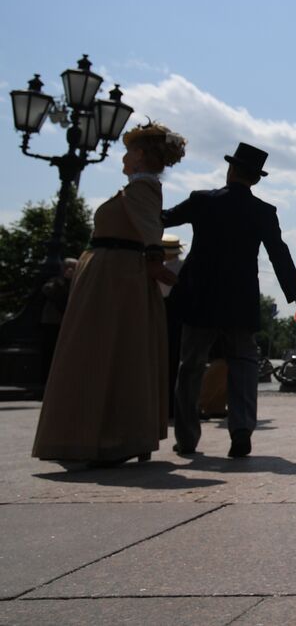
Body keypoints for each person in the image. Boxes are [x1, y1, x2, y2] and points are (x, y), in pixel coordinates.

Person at [32, 122, 187, 466]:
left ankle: (103, 436)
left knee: (101, 352)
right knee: (109, 353)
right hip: (112, 278)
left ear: (142, 155)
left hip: (116, 282)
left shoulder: (143, 188)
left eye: (131, 149)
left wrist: (153, 257)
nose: (125, 155)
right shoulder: (136, 188)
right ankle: (107, 434)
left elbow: (150, 228)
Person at [164, 142, 296, 458]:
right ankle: (242, 430)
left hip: (199, 297)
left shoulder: (202, 201)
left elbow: (163, 218)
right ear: (257, 179)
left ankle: (188, 438)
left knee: (190, 367)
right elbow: (279, 255)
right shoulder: (263, 211)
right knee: (244, 365)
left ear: (230, 169)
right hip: (240, 299)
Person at [37, 257, 77, 392]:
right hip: (52, 323)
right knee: (49, 352)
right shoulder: (56, 282)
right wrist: (65, 280)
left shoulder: (77, 283)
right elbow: (48, 291)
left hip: (67, 323)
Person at [159, 234, 184, 414]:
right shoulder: (183, 267)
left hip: (162, 311)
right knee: (174, 359)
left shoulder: (158, 268)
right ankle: (171, 403)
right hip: (178, 314)